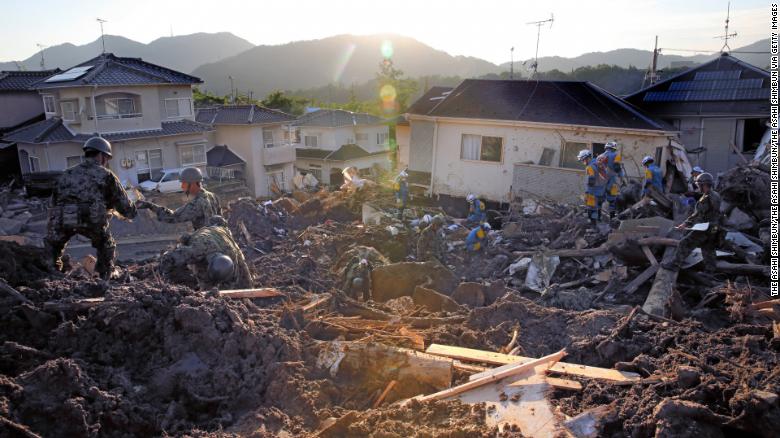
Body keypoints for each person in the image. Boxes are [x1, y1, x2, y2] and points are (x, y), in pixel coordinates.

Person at [44, 136, 137, 280]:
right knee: (106, 243)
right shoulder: (106, 175)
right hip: (91, 221)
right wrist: (133, 209)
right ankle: (105, 275)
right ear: (102, 156)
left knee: (53, 245)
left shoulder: (65, 174)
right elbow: (126, 209)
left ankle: (52, 274)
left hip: (63, 221)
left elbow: (54, 203)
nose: (106, 163)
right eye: (106, 158)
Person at [160, 216, 252, 290]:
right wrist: (166, 277)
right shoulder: (196, 249)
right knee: (207, 288)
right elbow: (169, 258)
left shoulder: (229, 248)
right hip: (204, 246)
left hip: (222, 247)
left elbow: (239, 269)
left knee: (239, 281)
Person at [665, 173, 722, 272]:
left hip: (705, 228)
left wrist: (686, 224)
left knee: (684, 243)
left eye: (699, 185)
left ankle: (675, 264)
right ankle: (710, 272)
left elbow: (698, 214)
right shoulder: (715, 195)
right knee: (708, 249)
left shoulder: (706, 198)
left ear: (703, 185)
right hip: (714, 227)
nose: (698, 187)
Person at [137, 167, 221, 230]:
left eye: (184, 183)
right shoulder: (213, 196)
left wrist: (150, 206)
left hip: (205, 245)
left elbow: (172, 217)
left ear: (192, 184)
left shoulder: (196, 204)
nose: (182, 186)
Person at [578, 149, 606, 224]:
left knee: (591, 209)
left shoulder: (589, 167)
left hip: (593, 192)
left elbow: (591, 179)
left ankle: (593, 226)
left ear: (587, 158)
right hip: (601, 191)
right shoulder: (597, 163)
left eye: (583, 160)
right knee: (599, 208)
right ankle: (599, 222)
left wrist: (587, 193)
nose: (583, 162)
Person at [599, 141, 623, 218]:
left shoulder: (599, 157)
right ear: (614, 148)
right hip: (612, 181)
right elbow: (617, 167)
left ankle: (598, 216)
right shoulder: (616, 155)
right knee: (612, 199)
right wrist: (621, 178)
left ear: (606, 147)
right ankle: (612, 218)